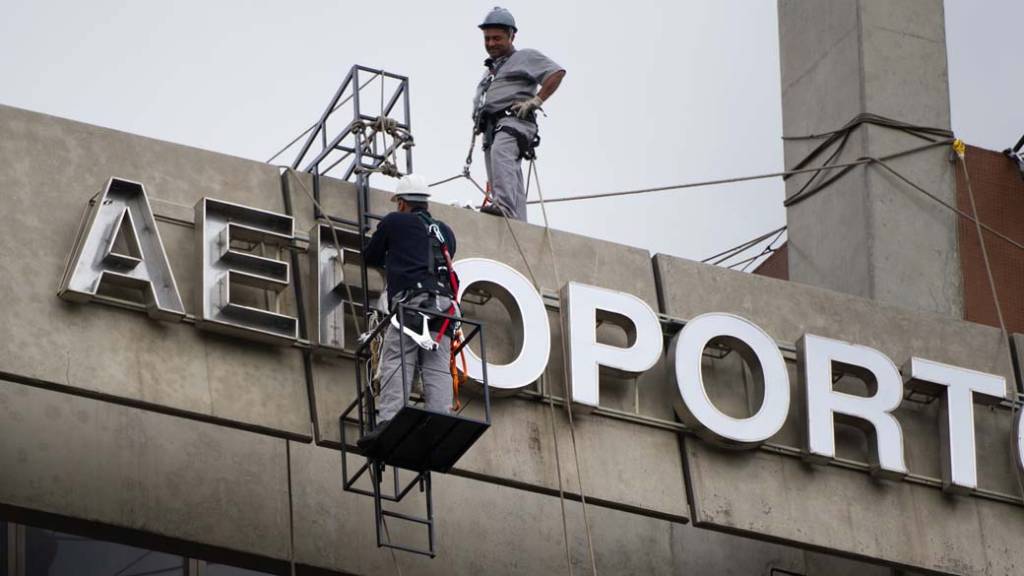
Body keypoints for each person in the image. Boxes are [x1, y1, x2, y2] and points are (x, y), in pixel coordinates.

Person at [358, 174, 459, 448]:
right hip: (445, 306)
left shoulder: (394, 221)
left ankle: (389, 420)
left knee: (398, 358)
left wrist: (392, 252)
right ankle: (440, 420)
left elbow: (370, 256)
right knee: (437, 367)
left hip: (413, 301)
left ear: (401, 202)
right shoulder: (445, 231)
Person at [473, 6, 566, 221]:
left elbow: (556, 73)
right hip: (492, 128)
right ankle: (517, 222)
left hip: (514, 120)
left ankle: (504, 207)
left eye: (496, 38)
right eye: (487, 39)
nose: (491, 43)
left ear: (511, 35)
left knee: (502, 155)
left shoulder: (525, 57)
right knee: (503, 170)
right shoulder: (492, 71)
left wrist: (536, 100)